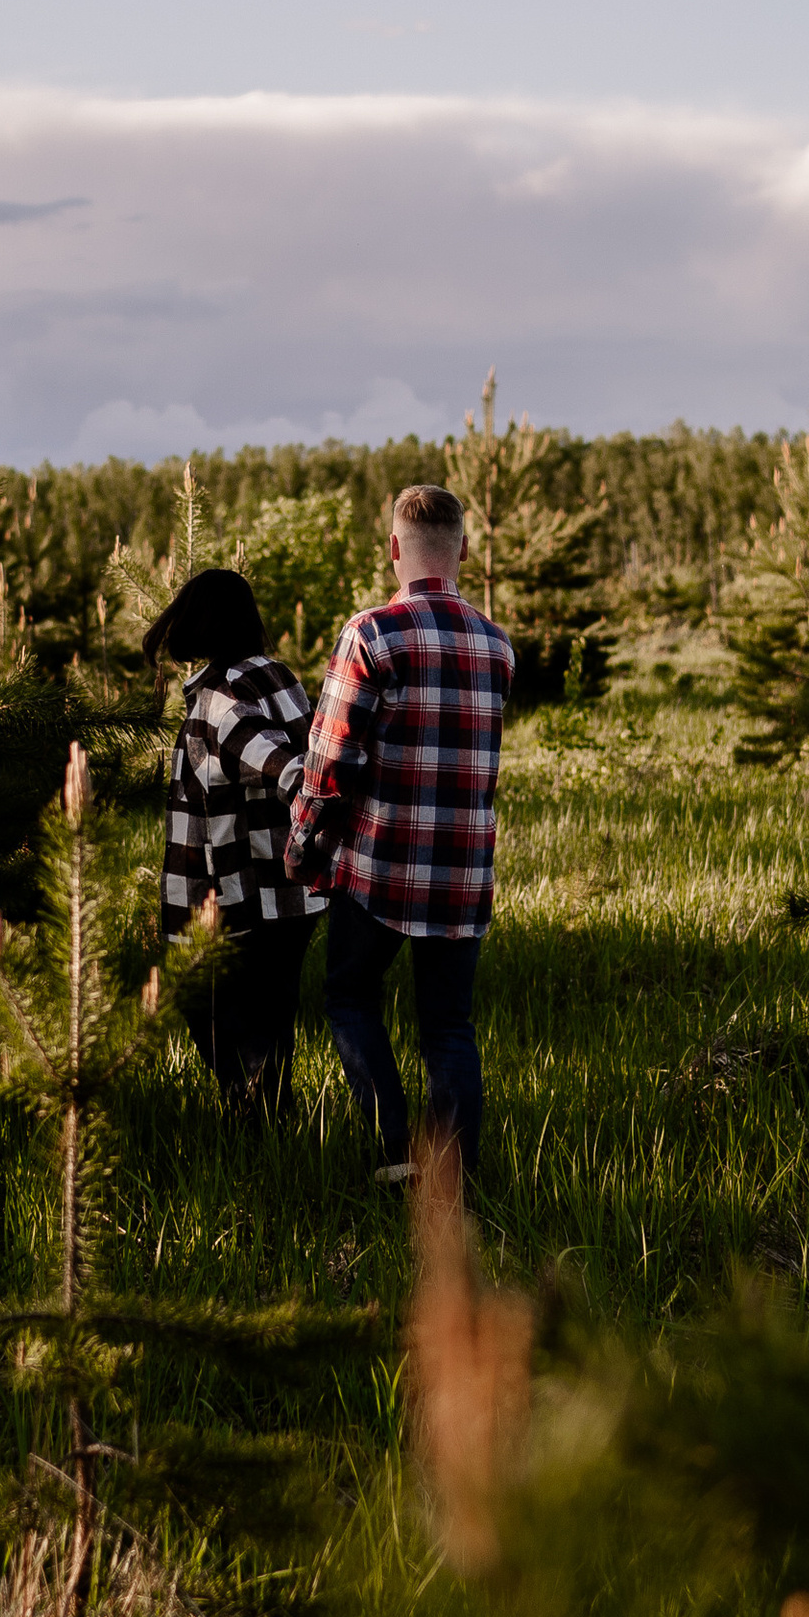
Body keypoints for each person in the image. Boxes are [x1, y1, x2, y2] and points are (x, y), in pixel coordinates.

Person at [287, 483, 514, 1189]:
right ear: (464, 553)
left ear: (394, 549)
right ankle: (455, 1177)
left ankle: (392, 1150)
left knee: (350, 998)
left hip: (382, 869)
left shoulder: (372, 633)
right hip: (462, 872)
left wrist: (301, 848)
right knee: (449, 1028)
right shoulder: (496, 644)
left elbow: (329, 765)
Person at [146, 564, 323, 1117]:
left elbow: (290, 767)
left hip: (237, 899)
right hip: (294, 896)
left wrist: (307, 797)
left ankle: (258, 1134)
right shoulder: (277, 674)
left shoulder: (222, 699)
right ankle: (276, 1132)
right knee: (271, 1027)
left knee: (216, 1013)